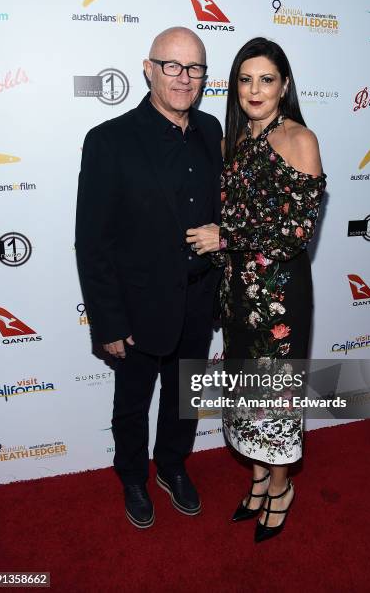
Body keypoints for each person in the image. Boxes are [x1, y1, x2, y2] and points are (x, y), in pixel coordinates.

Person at [75, 27, 223, 529]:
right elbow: (93, 243)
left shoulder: (212, 132)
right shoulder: (108, 141)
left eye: (195, 68)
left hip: (200, 301)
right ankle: (134, 477)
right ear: (148, 68)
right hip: (137, 309)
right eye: (172, 66)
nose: (185, 78)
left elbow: (229, 209)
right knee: (132, 404)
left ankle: (173, 466)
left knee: (184, 400)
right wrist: (108, 323)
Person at [186, 37, 327, 542]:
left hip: (281, 296)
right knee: (248, 396)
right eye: (245, 79)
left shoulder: (299, 139)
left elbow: (297, 233)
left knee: (278, 398)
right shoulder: (235, 140)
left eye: (266, 79)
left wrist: (227, 237)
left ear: (284, 85)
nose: (254, 89)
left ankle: (281, 488)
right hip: (239, 294)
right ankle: (259, 478)